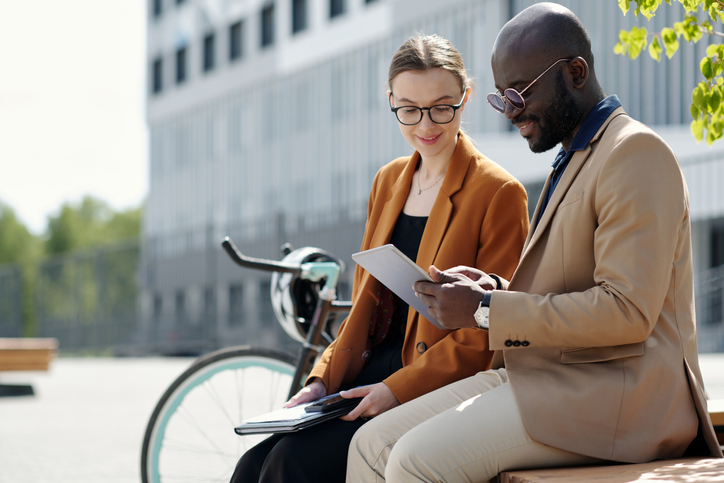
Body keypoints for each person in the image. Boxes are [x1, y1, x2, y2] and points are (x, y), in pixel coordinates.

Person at [346, 4, 724, 482]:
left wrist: (486, 309)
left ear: (575, 72)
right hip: (550, 378)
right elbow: (572, 285)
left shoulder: (635, 153)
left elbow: (627, 311)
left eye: (519, 92)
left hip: (620, 399)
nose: (511, 111)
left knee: (413, 461)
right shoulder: (574, 157)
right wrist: (495, 287)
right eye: (502, 98)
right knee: (370, 444)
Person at [229, 34, 529, 483]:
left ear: (465, 98)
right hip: (369, 368)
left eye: (442, 107)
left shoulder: (499, 192)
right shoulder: (388, 181)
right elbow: (363, 310)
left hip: (430, 381)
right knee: (252, 464)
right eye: (409, 109)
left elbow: (490, 332)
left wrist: (397, 389)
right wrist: (321, 380)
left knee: (293, 463)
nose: (426, 124)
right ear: (391, 101)